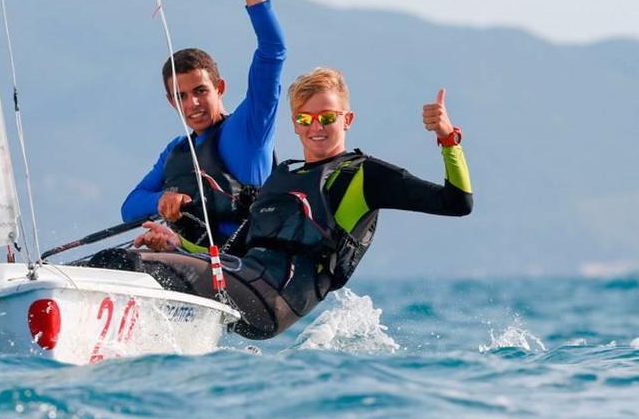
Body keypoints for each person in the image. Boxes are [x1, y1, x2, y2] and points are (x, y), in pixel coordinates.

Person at [126, 67, 473, 339]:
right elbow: (231, 251)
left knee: (137, 263)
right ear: (295, 124)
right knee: (130, 259)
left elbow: (457, 202)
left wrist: (447, 138)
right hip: (241, 280)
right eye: (306, 119)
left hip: (275, 299)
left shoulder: (364, 175)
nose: (316, 127)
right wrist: (178, 244)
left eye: (327, 117)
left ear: (346, 119)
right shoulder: (283, 176)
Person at [120, 0, 286, 249]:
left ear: (219, 88)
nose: (192, 103)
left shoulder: (250, 128)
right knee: (118, 259)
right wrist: (163, 200)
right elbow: (130, 207)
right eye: (181, 96)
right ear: (172, 102)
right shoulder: (177, 150)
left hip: (243, 269)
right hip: (192, 261)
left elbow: (273, 51)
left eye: (200, 91)